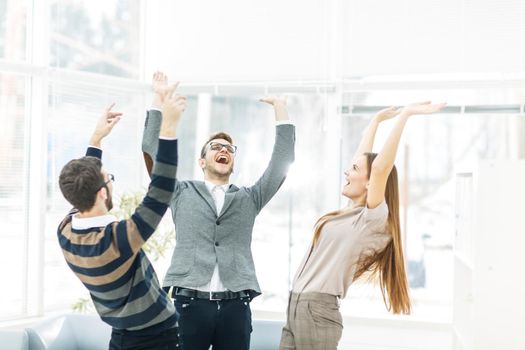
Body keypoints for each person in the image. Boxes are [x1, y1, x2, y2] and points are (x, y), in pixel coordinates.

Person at [141, 71, 295, 350]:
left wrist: (281, 110)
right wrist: (158, 99)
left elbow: (282, 162)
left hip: (235, 307)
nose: (224, 150)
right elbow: (151, 151)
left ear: (232, 162)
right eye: (216, 147)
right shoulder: (180, 192)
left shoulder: (249, 198)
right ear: (202, 161)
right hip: (189, 305)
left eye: (229, 149)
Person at [279, 101, 446, 350]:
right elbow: (366, 163)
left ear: (370, 183)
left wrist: (406, 115)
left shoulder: (372, 220)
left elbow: (379, 168)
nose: (347, 172)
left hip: (317, 310)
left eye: (353, 169)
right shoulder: (350, 214)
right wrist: (375, 122)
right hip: (296, 305)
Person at [57, 86, 187, 350]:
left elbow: (83, 181)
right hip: (156, 338)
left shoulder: (67, 232)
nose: (111, 181)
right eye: (109, 178)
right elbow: (160, 192)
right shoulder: (117, 240)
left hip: (121, 335)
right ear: (103, 192)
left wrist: (97, 137)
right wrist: (169, 127)